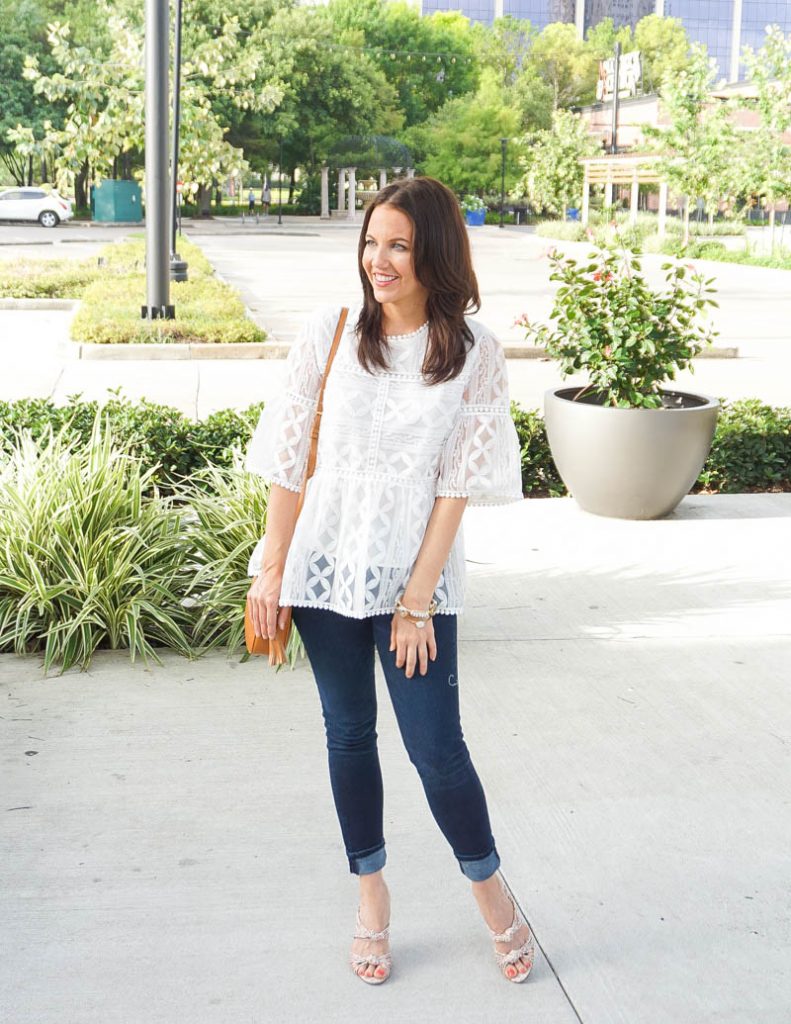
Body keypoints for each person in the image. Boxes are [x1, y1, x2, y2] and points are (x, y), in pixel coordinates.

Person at [245, 176, 533, 986]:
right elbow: (290, 460)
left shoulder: (474, 355)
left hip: (414, 586)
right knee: (347, 735)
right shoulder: (330, 331)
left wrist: (416, 600)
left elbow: (455, 487)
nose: (378, 259)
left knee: (437, 751)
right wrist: (272, 565)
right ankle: (370, 896)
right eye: (371, 242)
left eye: (398, 244)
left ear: (434, 252)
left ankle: (490, 892)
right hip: (323, 573)